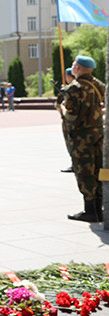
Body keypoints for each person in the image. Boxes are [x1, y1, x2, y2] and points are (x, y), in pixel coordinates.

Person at [60, 55, 105, 222]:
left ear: (77, 68)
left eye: (73, 64)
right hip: (98, 133)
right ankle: (100, 209)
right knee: (99, 169)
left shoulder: (75, 88)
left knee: (84, 171)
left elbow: (71, 117)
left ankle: (90, 211)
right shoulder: (98, 84)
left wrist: (63, 108)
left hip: (81, 137)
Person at [57, 68, 76, 173]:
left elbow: (59, 105)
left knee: (71, 143)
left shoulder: (71, 89)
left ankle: (75, 164)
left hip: (70, 121)